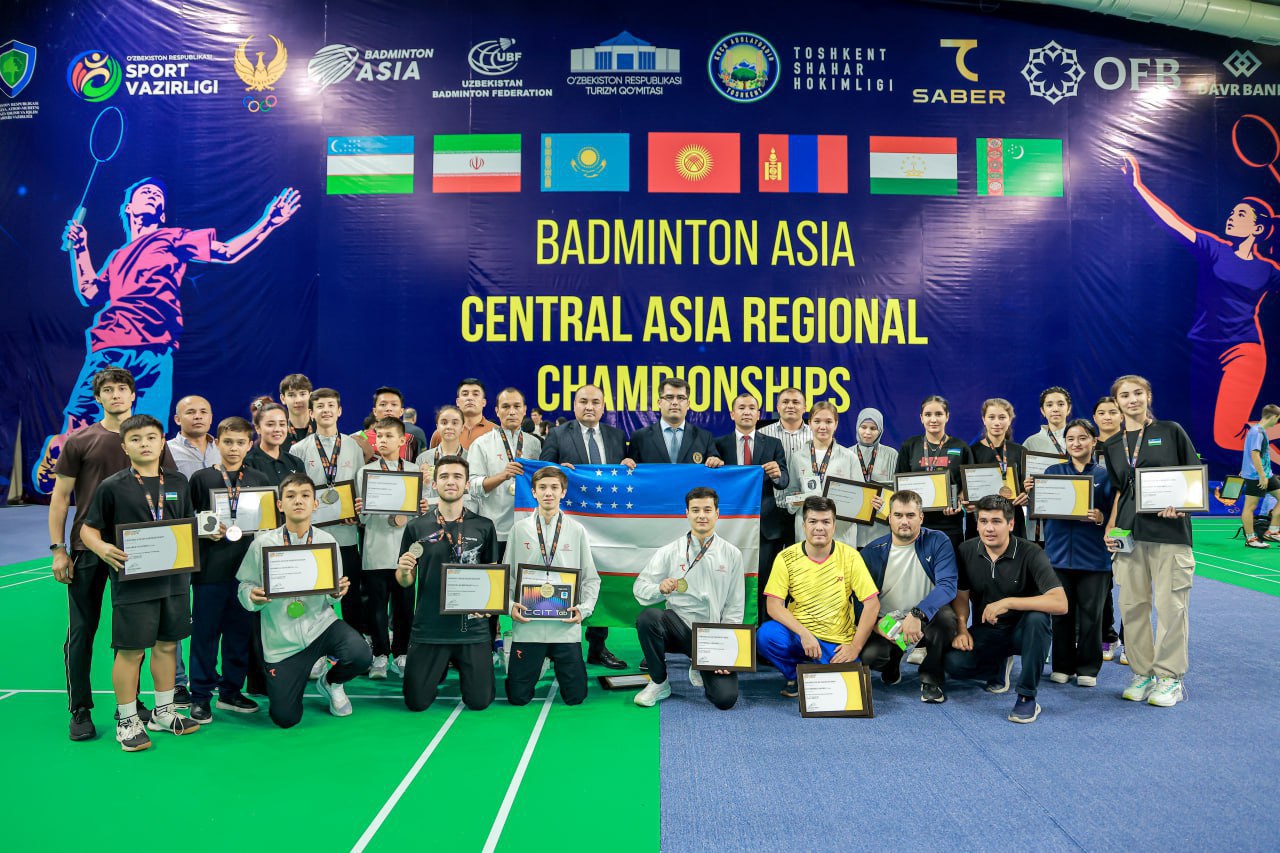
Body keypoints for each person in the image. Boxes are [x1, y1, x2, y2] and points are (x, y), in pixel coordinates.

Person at [34, 180, 300, 493]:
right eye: (144, 193)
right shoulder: (118, 257)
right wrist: (80, 249)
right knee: (77, 429)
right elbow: (90, 291)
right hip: (112, 345)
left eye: (158, 195)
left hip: (156, 352)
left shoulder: (173, 238)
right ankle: (59, 452)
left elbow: (227, 252)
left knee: (151, 435)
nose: (153, 194)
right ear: (129, 208)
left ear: (161, 214)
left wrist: (269, 222)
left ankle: (142, 500)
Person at [1123, 155, 1280, 465]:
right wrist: (1137, 185)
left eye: (1241, 214)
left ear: (1258, 228)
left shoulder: (1268, 270)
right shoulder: (1214, 249)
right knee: (1218, 437)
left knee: (1227, 436)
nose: (1232, 217)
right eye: (1232, 212)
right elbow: (1172, 223)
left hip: (1243, 352)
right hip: (1205, 352)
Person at [48, 366, 177, 742]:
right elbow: (60, 498)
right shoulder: (80, 441)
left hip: (139, 552)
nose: (116, 394)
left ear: (133, 395)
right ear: (99, 397)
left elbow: (167, 493)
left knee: (134, 633)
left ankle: (130, 706)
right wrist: (58, 550)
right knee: (82, 629)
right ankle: (80, 709)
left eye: (122, 388)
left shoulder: (150, 440)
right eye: (108, 390)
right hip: (87, 549)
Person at [80, 414, 202, 751]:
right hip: (133, 584)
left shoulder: (178, 482)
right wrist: (102, 548)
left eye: (151, 438)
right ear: (124, 446)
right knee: (131, 651)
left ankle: (163, 712)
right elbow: (88, 529)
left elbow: (187, 526)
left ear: (162, 442)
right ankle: (128, 719)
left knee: (167, 646)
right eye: (135, 439)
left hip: (174, 581)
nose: (144, 444)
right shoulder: (112, 486)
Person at [236, 473, 370, 727]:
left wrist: (336, 593)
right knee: (285, 718)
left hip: (321, 627)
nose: (298, 501)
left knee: (361, 654)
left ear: (315, 503)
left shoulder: (327, 542)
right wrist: (252, 597)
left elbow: (332, 594)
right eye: (291, 496)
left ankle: (331, 682)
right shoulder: (262, 544)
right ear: (280, 505)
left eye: (305, 495)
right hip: (282, 642)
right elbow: (245, 586)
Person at [1103, 375, 1199, 707]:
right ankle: (1142, 672)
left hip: (1169, 535)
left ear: (1148, 396)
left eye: (1138, 393)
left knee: (1171, 607)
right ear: (1117, 402)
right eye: (1125, 395)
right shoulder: (1112, 445)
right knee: (1132, 607)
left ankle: (1170, 678)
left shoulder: (1170, 431)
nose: (1132, 400)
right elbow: (1121, 491)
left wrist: (1183, 505)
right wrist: (1112, 527)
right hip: (1130, 537)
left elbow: (1192, 477)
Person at [945, 496, 1067, 724]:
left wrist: (1008, 602)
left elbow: (1060, 603)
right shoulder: (966, 550)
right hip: (989, 629)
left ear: (1010, 524)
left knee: (1038, 619)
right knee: (954, 664)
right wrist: (962, 628)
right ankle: (998, 663)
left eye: (996, 521)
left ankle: (1026, 696)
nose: (989, 528)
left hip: (1025, 632)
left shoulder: (1031, 552)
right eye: (983, 521)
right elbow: (961, 595)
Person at [396, 455, 500, 712]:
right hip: (430, 627)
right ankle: (437, 670)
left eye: (457, 477)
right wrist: (404, 571)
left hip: (471, 627)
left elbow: (492, 575)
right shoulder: (416, 527)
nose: (450, 482)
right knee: (416, 702)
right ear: (434, 484)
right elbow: (405, 582)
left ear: (467, 485)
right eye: (444, 476)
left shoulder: (484, 526)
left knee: (479, 702)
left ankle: (452, 670)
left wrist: (489, 606)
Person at [539, 384, 631, 668]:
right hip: (568, 521)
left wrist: (629, 464)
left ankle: (597, 646)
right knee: (563, 577)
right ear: (574, 405)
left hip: (606, 523)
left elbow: (623, 479)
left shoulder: (617, 436)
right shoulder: (558, 434)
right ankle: (556, 647)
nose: (589, 406)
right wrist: (558, 471)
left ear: (603, 407)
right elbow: (542, 472)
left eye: (595, 402)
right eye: (583, 401)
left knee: (600, 578)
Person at [187, 416, 269, 722]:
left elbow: (268, 524)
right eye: (228, 442)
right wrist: (202, 529)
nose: (234, 448)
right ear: (217, 443)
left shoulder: (259, 479)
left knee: (238, 634)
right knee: (205, 635)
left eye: (240, 443)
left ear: (250, 445)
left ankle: (231, 691)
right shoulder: (201, 479)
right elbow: (188, 520)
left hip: (246, 573)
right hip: (209, 572)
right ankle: (200, 695)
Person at [632, 487, 745, 709]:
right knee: (648, 618)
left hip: (711, 637)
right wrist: (659, 588)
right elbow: (639, 589)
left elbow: (735, 605)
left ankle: (698, 662)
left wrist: (726, 652)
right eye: (695, 510)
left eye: (707, 510)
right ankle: (659, 682)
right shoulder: (669, 551)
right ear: (686, 513)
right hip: (677, 627)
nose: (701, 515)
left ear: (717, 513)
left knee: (725, 699)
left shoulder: (732, 554)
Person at [757, 496, 881, 698]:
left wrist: (854, 648)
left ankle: (818, 671)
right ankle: (796, 675)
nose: (819, 528)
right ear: (804, 525)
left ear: (834, 525)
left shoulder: (851, 556)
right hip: (800, 636)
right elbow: (773, 605)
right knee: (765, 636)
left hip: (836, 642)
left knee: (850, 693)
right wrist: (804, 634)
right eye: (813, 521)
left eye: (826, 522)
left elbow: (872, 605)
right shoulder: (786, 557)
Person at [506, 466, 601, 706]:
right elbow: (508, 576)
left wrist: (583, 610)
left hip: (564, 627)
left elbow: (591, 578)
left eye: (554, 487)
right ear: (534, 492)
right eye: (542, 487)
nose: (548, 493)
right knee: (517, 698)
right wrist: (509, 606)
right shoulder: (519, 529)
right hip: (528, 626)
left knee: (575, 697)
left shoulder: (576, 530)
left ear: (563, 492)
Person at [859, 491, 959, 703]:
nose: (904, 521)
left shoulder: (938, 541)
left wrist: (917, 613)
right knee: (871, 657)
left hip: (925, 617)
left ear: (921, 517)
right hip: (889, 619)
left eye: (910, 515)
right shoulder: (871, 552)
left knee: (946, 619)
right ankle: (893, 660)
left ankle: (931, 677)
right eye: (898, 515)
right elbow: (858, 598)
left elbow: (948, 586)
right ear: (889, 518)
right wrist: (876, 625)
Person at [1041, 419, 1114, 687]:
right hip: (1058, 557)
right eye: (1070, 439)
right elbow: (1042, 508)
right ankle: (1062, 665)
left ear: (1093, 441)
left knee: (1091, 617)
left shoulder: (1106, 476)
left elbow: (1116, 514)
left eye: (1082, 438)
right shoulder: (1052, 472)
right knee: (1061, 614)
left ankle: (1087, 668)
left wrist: (1101, 517)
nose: (1076, 443)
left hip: (1094, 558)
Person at [289, 388, 366, 639]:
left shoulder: (353, 447)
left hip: (346, 534)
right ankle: (317, 645)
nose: (326, 410)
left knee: (351, 592)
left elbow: (359, 486)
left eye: (331, 405)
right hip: (314, 535)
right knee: (316, 593)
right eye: (320, 406)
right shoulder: (299, 449)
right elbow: (296, 491)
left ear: (339, 411)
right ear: (311, 413)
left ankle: (355, 644)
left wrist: (358, 510)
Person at [715, 393, 789, 623]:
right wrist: (713, 466)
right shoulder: (719, 444)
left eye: (751, 408)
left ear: (758, 415)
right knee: (726, 581)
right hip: (729, 527)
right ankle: (725, 629)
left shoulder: (773, 444)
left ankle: (761, 634)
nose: (746, 412)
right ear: (732, 414)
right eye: (741, 407)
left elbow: (784, 481)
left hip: (764, 529)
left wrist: (777, 474)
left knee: (764, 583)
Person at [358, 416, 420, 679]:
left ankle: (402, 653)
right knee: (376, 607)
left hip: (405, 552)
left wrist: (419, 510)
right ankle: (380, 654)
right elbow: (362, 519)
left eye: (388, 436)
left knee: (404, 605)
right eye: (379, 436)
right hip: (375, 549)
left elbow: (421, 516)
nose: (382, 441)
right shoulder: (365, 472)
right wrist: (361, 509)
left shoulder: (414, 471)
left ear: (402, 440)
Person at [468, 387, 543, 552]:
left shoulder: (535, 444)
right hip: (495, 529)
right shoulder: (481, 444)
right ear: (497, 411)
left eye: (517, 406)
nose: (512, 412)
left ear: (524, 410)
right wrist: (502, 476)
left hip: (529, 528)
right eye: (506, 406)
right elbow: (472, 487)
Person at [896, 395, 972, 555]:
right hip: (915, 523)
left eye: (938, 414)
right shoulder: (910, 446)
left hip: (949, 523)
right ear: (921, 418)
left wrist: (958, 501)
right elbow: (900, 486)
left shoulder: (961, 447)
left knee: (948, 566)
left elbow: (969, 485)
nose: (933, 419)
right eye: (928, 414)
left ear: (947, 416)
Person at [777, 402, 855, 544]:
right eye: (817, 421)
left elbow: (858, 500)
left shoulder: (849, 457)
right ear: (810, 424)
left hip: (840, 533)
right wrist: (795, 501)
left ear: (836, 424)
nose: (822, 427)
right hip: (808, 532)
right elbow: (789, 497)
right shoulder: (798, 457)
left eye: (828, 422)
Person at [624, 377, 723, 466]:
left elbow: (714, 467)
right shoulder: (639, 438)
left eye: (681, 398)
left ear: (688, 404)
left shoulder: (704, 438)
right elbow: (632, 474)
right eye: (669, 397)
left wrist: (715, 461)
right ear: (659, 403)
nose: (675, 402)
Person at [967, 398, 1029, 540]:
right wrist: (965, 501)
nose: (997, 422)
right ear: (984, 420)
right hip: (982, 520)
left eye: (1002, 417)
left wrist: (1026, 495)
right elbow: (965, 490)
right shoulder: (971, 451)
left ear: (1010, 420)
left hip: (1012, 518)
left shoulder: (1020, 451)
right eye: (991, 417)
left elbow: (1027, 486)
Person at [1091, 395, 1124, 662]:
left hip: (1128, 521)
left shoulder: (1131, 445)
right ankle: (1108, 636)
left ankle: (1131, 641)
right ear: (1095, 418)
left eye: (1112, 412)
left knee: (1133, 585)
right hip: (1097, 525)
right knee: (1103, 585)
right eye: (1102, 412)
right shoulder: (1089, 446)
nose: (1107, 417)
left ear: (1121, 415)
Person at [1023, 386, 1072, 543]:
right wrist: (1025, 486)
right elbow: (1022, 482)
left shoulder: (1080, 439)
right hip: (1043, 517)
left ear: (1069, 408)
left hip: (1073, 508)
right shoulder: (1031, 442)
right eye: (1049, 405)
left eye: (1060, 404)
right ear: (1042, 411)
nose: (1055, 409)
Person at [849, 407, 899, 548]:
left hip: (881, 527)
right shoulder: (847, 454)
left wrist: (886, 504)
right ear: (857, 427)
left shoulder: (892, 455)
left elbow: (898, 492)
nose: (867, 432)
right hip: (854, 527)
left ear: (880, 430)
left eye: (873, 428)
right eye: (863, 427)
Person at [417, 405, 474, 511]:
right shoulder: (423, 458)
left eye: (455, 423)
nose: (449, 427)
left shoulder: (471, 458)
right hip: (430, 515)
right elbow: (417, 493)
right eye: (444, 423)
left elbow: (474, 496)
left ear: (462, 427)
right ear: (437, 427)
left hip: (461, 515)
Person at [1241, 404, 1280, 548]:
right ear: (1274, 416)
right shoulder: (1256, 432)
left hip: (1267, 474)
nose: (1277, 421)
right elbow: (1254, 454)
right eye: (1278, 418)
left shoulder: (1260, 430)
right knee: (1250, 507)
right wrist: (1262, 476)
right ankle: (1251, 539)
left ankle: (1273, 531)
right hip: (1256, 476)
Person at [355, 386, 426, 463]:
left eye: (394, 404)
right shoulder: (361, 439)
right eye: (383, 404)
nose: (388, 409)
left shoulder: (410, 439)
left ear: (401, 411)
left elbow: (415, 468)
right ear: (375, 411)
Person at [244, 402, 306, 484]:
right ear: (258, 428)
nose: (277, 429)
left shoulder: (296, 462)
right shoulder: (248, 464)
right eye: (270, 424)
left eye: (282, 424)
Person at [430, 378, 495, 450]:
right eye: (465, 394)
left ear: (484, 402)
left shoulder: (495, 432)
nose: (470, 398)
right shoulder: (441, 433)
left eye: (475, 394)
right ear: (457, 402)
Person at [167, 395, 220, 478]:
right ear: (178, 419)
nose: (198, 416)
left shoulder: (222, 448)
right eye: (190, 412)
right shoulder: (165, 450)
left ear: (211, 418)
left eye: (203, 412)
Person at [278, 373, 314, 452]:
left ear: (310, 397)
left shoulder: (322, 430)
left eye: (302, 394)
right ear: (283, 399)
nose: (298, 400)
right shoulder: (277, 434)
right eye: (291, 395)